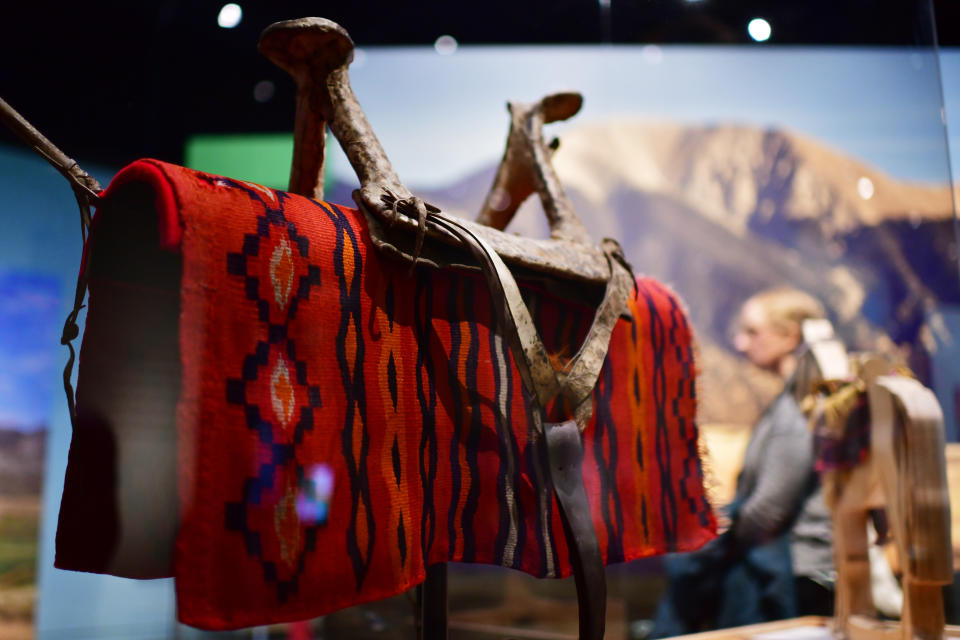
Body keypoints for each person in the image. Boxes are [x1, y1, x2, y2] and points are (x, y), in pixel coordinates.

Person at [651, 287, 834, 637]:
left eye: (753, 332)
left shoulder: (799, 408)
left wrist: (721, 538)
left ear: (788, 336)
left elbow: (768, 510)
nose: (740, 342)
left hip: (790, 570)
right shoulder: (795, 402)